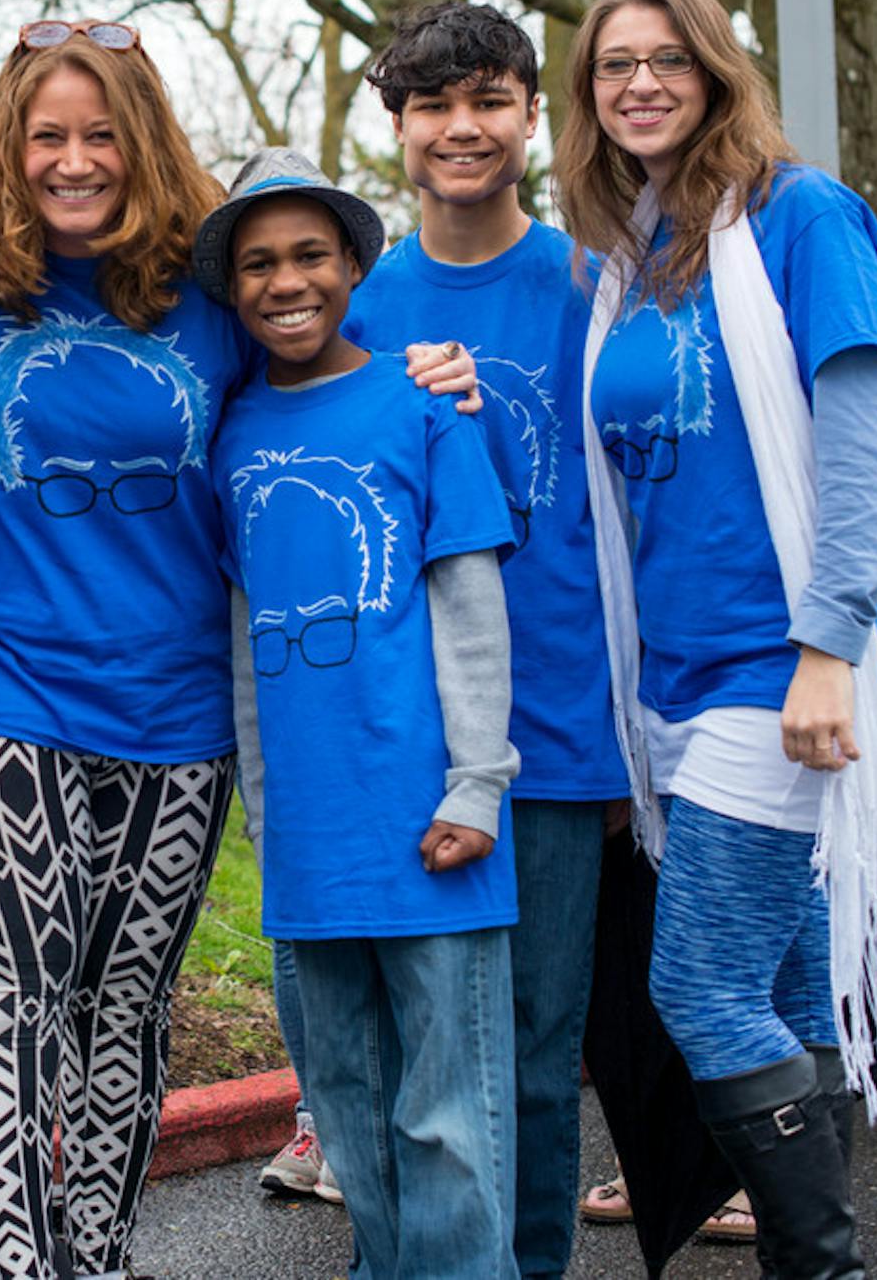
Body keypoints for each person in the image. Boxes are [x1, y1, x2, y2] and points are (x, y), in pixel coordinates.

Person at [0, 24, 478, 1280]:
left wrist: (440, 363)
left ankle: (99, 1256)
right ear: (11, 147)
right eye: (47, 134)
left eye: (100, 132)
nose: (74, 159)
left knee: (125, 1011)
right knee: (9, 998)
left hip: (178, 720)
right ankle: (24, 1269)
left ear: (142, 139)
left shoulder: (216, 286)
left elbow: (335, 331)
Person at [558, 0, 877, 1276]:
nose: (640, 83)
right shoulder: (624, 261)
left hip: (783, 670)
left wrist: (833, 644)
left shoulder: (802, 217)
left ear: (715, 73)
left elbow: (869, 450)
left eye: (667, 60)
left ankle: (829, 1269)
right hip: (669, 681)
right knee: (777, 991)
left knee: (697, 986)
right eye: (613, 66)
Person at [331, 1, 628, 1277]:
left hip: (563, 727)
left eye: (491, 100)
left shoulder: (594, 281)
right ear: (395, 125)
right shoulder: (355, 303)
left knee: (537, 1051)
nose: (464, 128)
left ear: (529, 115)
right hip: (405, 732)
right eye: (434, 104)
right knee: (414, 1056)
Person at [199, 147, 522, 1277]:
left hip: (435, 812)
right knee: (347, 1110)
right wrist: (264, 800)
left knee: (449, 1114)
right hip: (308, 832)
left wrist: (479, 781)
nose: (286, 281)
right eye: (258, 264)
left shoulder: (419, 405)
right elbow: (244, 636)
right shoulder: (228, 437)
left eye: (309, 256)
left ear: (351, 267)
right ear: (231, 287)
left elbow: (471, 605)